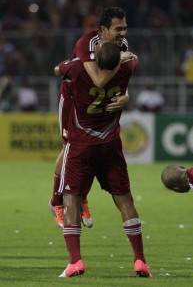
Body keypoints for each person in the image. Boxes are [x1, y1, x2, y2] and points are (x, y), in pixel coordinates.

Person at [56, 41, 152, 278]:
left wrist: (75, 61)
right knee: (125, 201)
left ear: (96, 59)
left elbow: (58, 70)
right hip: (109, 144)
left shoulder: (79, 69)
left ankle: (75, 262)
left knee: (71, 200)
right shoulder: (126, 68)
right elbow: (132, 58)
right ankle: (140, 260)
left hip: (81, 143)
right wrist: (123, 60)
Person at [49, 7, 133, 229]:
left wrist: (126, 96)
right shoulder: (86, 43)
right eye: (118, 28)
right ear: (103, 30)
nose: (123, 33)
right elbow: (98, 79)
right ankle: (56, 201)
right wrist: (121, 61)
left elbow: (121, 82)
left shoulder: (122, 46)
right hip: (73, 96)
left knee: (91, 149)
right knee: (69, 146)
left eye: (125, 28)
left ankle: (80, 196)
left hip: (94, 99)